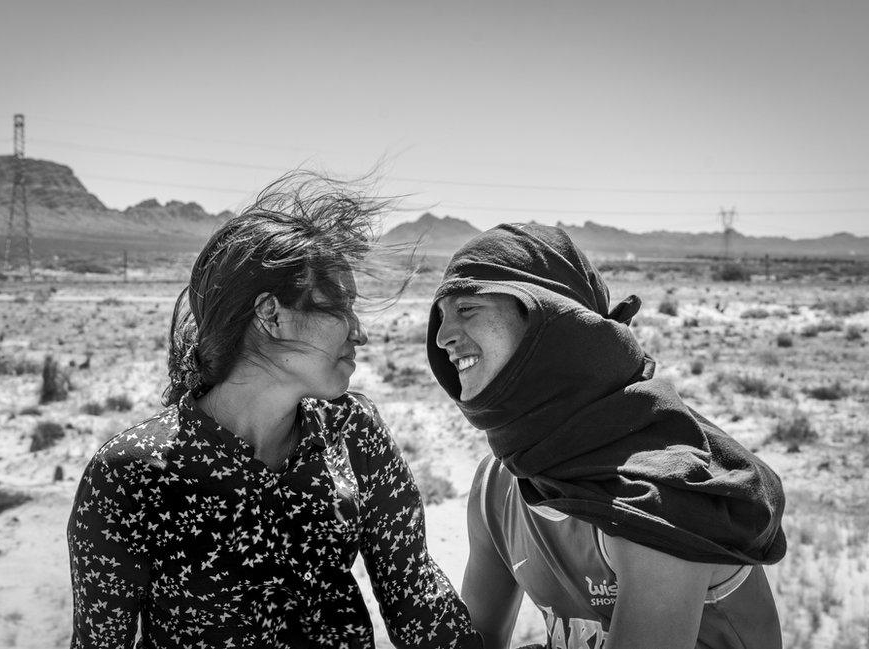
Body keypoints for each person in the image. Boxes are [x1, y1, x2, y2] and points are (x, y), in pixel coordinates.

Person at [67, 173, 482, 649]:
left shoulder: (353, 431)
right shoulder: (132, 475)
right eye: (339, 307)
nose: (359, 332)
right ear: (270, 314)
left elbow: (415, 598)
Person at [425, 223, 785, 649]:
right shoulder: (497, 485)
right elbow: (477, 639)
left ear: (551, 321)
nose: (443, 337)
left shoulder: (656, 491)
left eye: (467, 309)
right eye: (441, 317)